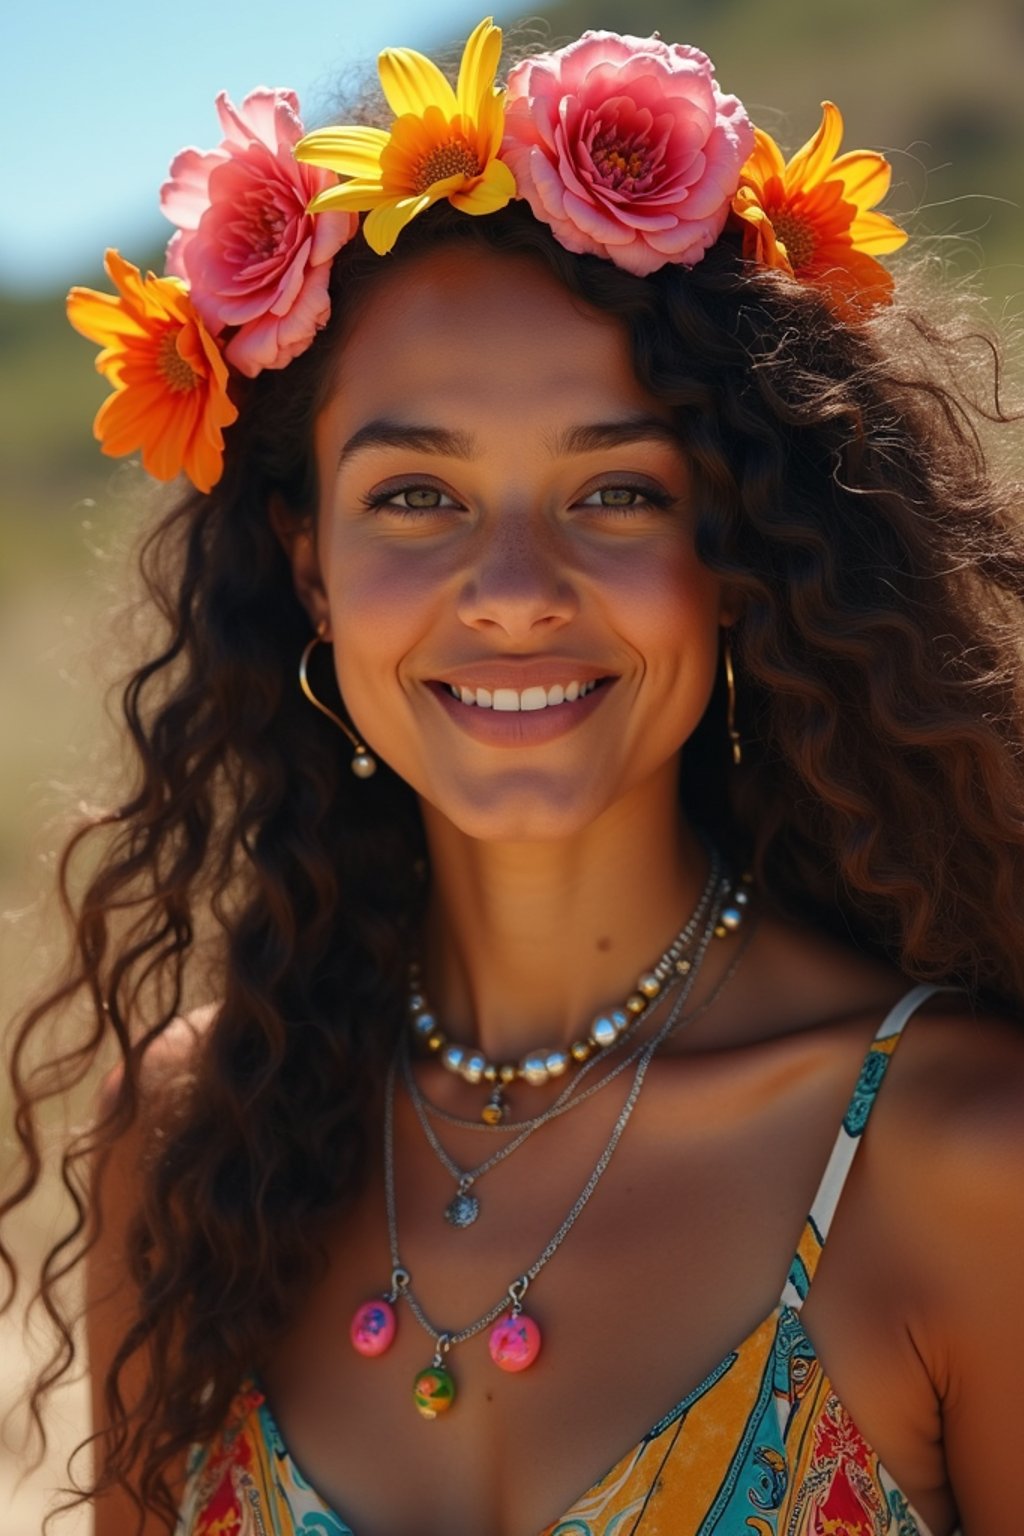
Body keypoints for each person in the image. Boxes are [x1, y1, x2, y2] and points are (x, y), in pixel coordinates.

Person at [2, 17, 1023, 1536]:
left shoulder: (960, 1156)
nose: (514, 589)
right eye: (415, 494)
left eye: (619, 490)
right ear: (313, 570)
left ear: (732, 559)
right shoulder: (198, 1134)